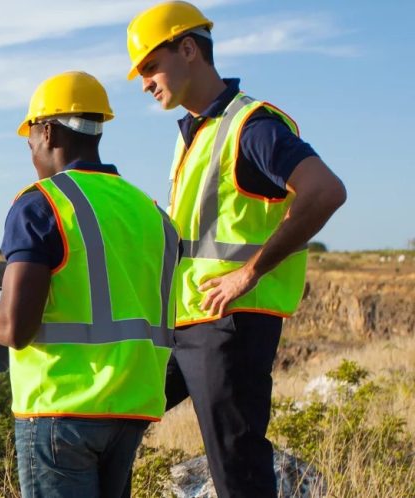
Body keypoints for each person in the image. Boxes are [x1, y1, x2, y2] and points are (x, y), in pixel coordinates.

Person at [124, 3, 347, 497]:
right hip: (186, 324)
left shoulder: (252, 125)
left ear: (188, 50)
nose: (144, 82)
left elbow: (325, 191)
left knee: (238, 471)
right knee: (116, 418)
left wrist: (249, 272)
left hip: (230, 326)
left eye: (149, 66)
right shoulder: (194, 134)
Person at [0, 71, 180, 497]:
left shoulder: (41, 204)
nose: (30, 151)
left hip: (60, 411)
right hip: (131, 408)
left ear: (47, 131)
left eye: (29, 139)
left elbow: (14, 328)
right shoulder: (150, 212)